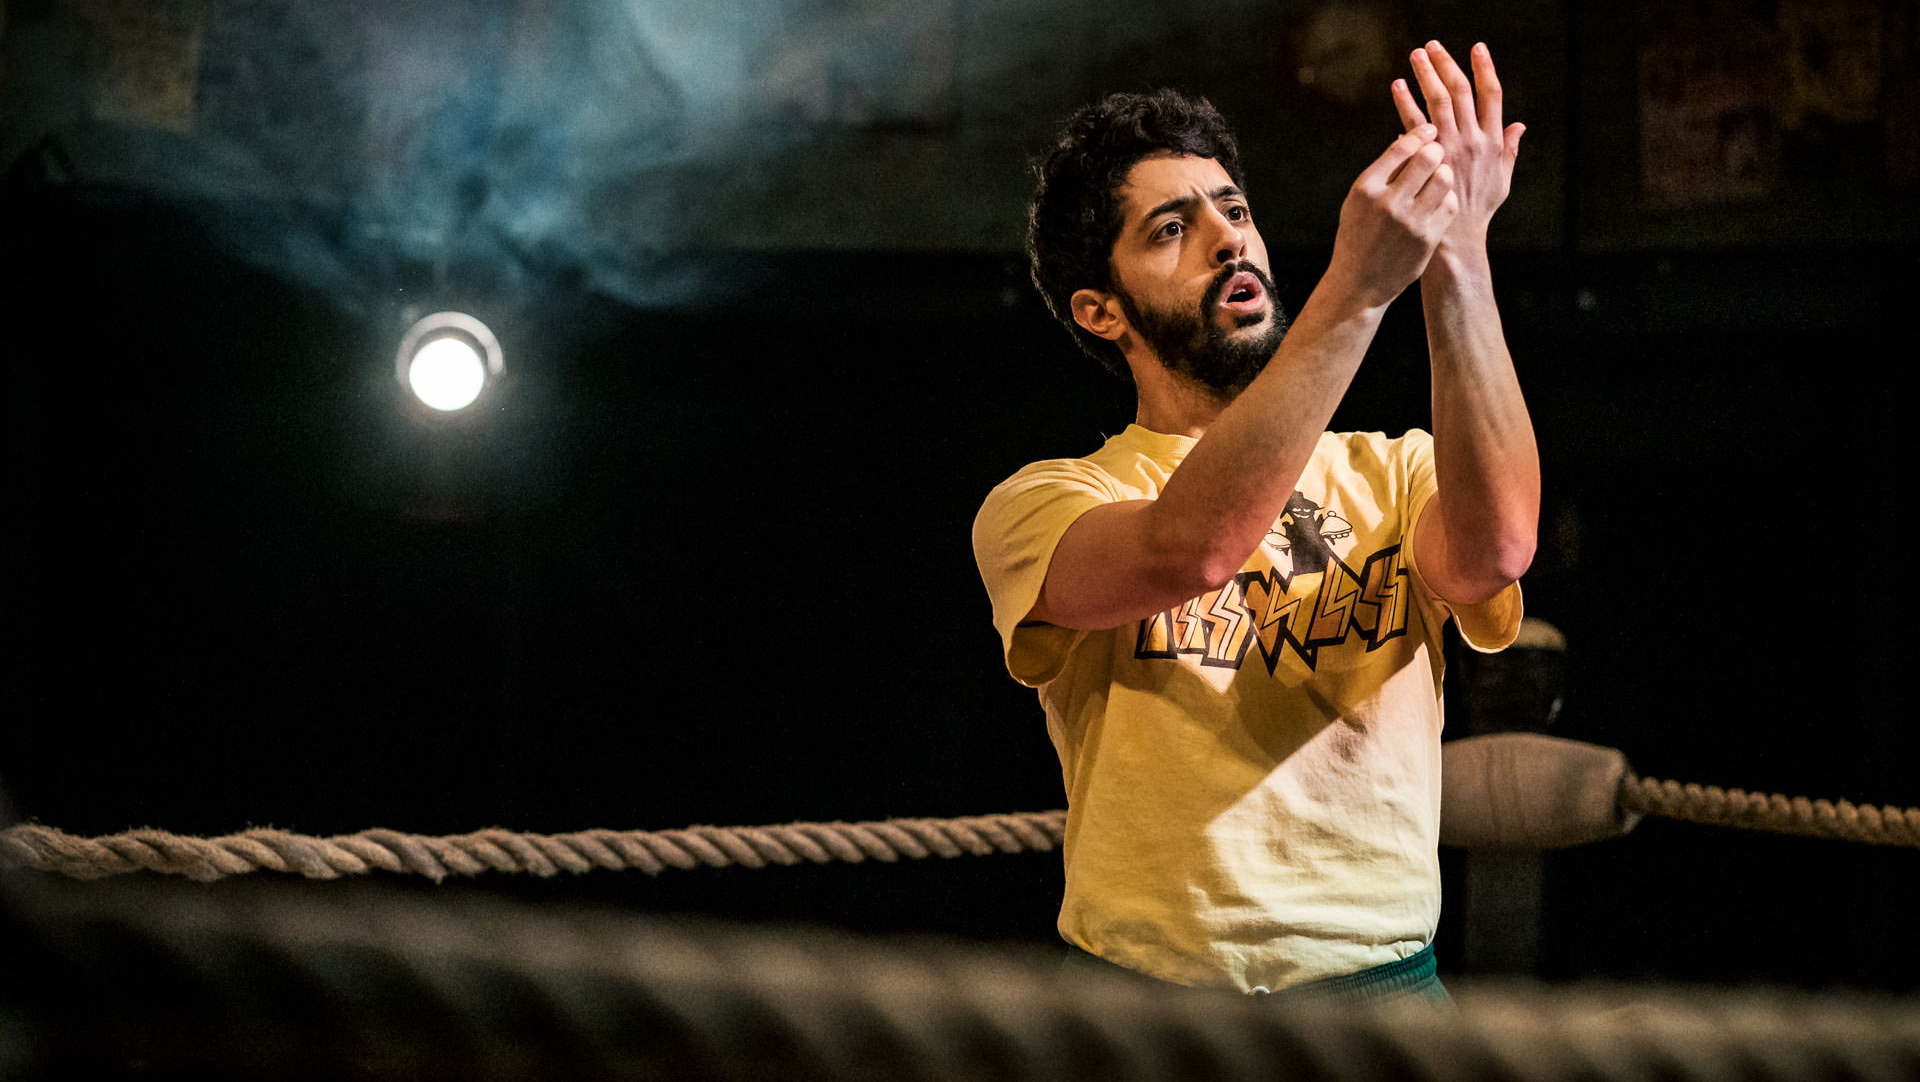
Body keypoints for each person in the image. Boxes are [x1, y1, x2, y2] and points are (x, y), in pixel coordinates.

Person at [971, 41, 1539, 999]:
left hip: (1382, 993)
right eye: (1170, 229)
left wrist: (1460, 256)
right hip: (1148, 1007)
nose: (1229, 239)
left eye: (1234, 210)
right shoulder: (1044, 502)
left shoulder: (1391, 468)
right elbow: (1193, 548)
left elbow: (1497, 549)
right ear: (1099, 310)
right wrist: (1356, 291)